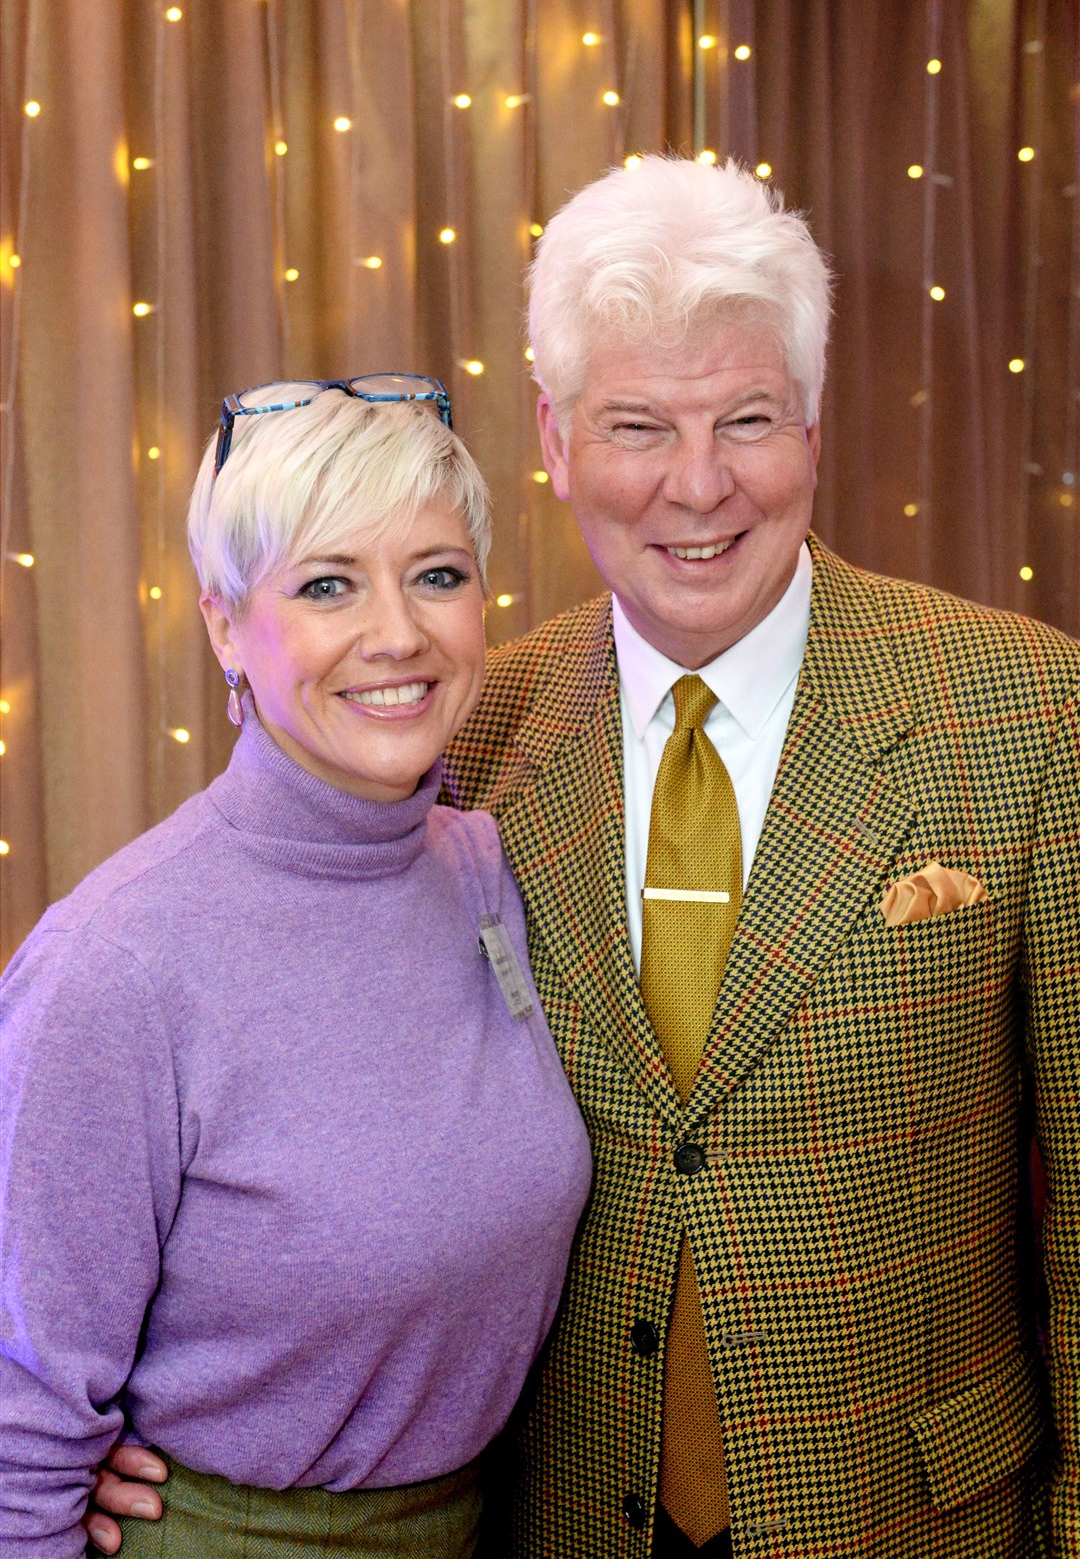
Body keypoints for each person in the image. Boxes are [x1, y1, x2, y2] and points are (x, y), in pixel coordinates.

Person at [91, 156, 1080, 1558]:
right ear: (553, 439)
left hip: (924, 1521)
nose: (697, 485)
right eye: (636, 426)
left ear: (815, 424)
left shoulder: (1025, 709)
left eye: (747, 419)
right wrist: (172, 1448)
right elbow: (267, 1050)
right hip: (556, 1518)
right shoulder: (458, 726)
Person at [0, 377, 593, 1558]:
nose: (398, 633)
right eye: (328, 583)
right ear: (226, 623)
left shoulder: (483, 865)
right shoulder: (116, 965)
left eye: (438, 573)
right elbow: (19, 1426)